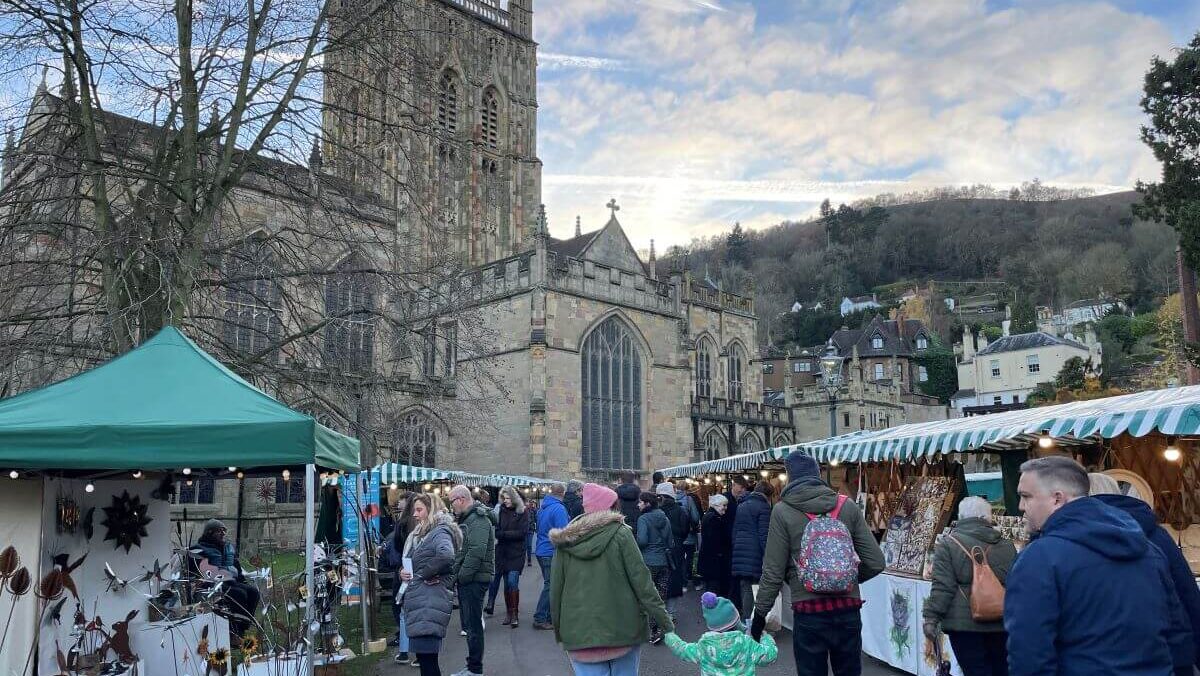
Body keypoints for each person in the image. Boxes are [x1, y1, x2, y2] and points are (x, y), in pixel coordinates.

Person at [1005, 456, 1190, 675]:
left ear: (1057, 499)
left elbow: (1029, 652)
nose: (1021, 506)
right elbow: (1178, 636)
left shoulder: (1039, 558)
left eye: (1026, 496)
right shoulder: (1149, 550)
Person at [752, 451, 885, 676]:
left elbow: (772, 572)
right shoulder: (847, 506)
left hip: (809, 610)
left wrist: (759, 615)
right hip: (847, 608)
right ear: (818, 475)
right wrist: (846, 578)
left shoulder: (782, 511)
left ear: (790, 477)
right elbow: (876, 561)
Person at [550, 483, 675, 675]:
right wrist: (665, 622)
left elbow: (556, 589)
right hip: (622, 629)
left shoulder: (565, 541)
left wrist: (561, 630)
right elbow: (642, 583)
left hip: (579, 632)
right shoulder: (621, 533)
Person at [1090, 472, 1200, 675]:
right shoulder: (1157, 535)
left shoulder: (1073, 543)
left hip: (1104, 659)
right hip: (1168, 651)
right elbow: (1188, 592)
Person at [921, 496, 1016, 676]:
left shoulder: (949, 544)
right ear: (988, 517)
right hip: (1001, 621)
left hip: (965, 625)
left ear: (961, 517)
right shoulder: (1007, 545)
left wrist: (931, 618)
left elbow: (943, 587)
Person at [400, 493, 462, 676]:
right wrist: (403, 572)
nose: (415, 514)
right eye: (414, 510)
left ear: (431, 509)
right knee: (426, 661)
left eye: (419, 510)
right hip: (422, 602)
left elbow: (446, 555)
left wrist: (423, 574)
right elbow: (412, 561)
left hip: (429, 603)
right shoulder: (422, 533)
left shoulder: (439, 531)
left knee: (428, 662)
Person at [666, 592, 778, 675]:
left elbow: (682, 649)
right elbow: (769, 656)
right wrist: (766, 638)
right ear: (736, 621)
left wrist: (669, 634)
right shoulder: (747, 643)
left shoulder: (704, 646)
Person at [449, 484, 496, 676]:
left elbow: (476, 553)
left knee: (473, 626)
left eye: (451, 501)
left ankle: (475, 669)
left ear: (460, 499)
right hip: (471, 578)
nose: (450, 506)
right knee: (471, 625)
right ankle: (472, 666)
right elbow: (465, 550)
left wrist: (461, 577)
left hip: (474, 579)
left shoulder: (478, 519)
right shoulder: (470, 518)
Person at [194, 519, 261, 639]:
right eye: (219, 531)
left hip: (231, 581)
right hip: (212, 584)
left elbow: (235, 564)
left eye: (224, 531)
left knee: (253, 592)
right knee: (239, 594)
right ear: (209, 533)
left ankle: (242, 627)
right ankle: (234, 631)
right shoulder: (199, 549)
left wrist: (241, 578)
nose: (223, 534)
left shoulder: (227, 547)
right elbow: (196, 570)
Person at [382, 493, 417, 665]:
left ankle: (407, 652)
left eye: (401, 505)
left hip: (404, 569)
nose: (399, 507)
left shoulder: (405, 523)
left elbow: (399, 547)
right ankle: (411, 652)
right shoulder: (413, 522)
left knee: (403, 610)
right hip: (409, 569)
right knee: (408, 611)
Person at [731, 481, 773, 618]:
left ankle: (746, 620)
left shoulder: (742, 505)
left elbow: (735, 531)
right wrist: (769, 556)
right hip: (755, 554)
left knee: (745, 587)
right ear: (768, 495)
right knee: (756, 589)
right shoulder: (764, 507)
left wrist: (736, 549)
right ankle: (754, 622)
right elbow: (764, 535)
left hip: (740, 551)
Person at [636, 491, 673, 644]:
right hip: (664, 561)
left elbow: (643, 541)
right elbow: (670, 541)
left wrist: (635, 539)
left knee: (647, 595)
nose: (638, 504)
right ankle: (662, 628)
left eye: (640, 502)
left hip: (648, 562)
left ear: (647, 504)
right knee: (660, 597)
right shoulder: (664, 517)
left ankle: (651, 630)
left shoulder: (643, 519)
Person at [491, 486, 530, 628]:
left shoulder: (522, 511)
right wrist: (502, 534)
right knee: (507, 584)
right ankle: (508, 612)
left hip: (516, 553)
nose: (505, 501)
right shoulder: (500, 510)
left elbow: (522, 533)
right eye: (504, 498)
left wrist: (504, 534)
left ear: (513, 498)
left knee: (513, 582)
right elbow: (496, 530)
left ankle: (514, 614)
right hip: (502, 553)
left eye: (508, 498)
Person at [533, 483, 570, 630]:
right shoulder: (559, 508)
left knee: (550, 585)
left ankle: (547, 617)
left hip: (542, 550)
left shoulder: (543, 508)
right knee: (551, 586)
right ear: (563, 494)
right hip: (551, 551)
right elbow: (563, 533)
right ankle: (540, 617)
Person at [659, 481, 691, 615]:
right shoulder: (680, 510)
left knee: (661, 579)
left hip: (662, 549)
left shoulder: (658, 511)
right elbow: (685, 530)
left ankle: (661, 613)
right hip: (677, 548)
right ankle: (671, 612)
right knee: (674, 578)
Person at [698, 494, 733, 600]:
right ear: (717, 505)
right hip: (715, 561)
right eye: (724, 505)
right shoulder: (714, 519)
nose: (726, 508)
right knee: (714, 589)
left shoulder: (709, 516)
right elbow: (716, 540)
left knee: (711, 588)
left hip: (710, 560)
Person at [676, 480, 703, 591]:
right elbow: (696, 517)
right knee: (692, 559)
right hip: (689, 535)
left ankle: (683, 584)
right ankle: (696, 583)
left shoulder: (672, 499)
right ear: (687, 489)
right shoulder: (689, 499)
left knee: (681, 559)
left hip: (677, 535)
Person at [526, 498, 539, 567]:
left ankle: (529, 560)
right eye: (526, 502)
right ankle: (523, 559)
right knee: (524, 546)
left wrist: (537, 528)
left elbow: (536, 519)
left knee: (529, 545)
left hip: (530, 530)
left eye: (529, 502)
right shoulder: (522, 510)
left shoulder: (533, 510)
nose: (527, 504)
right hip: (523, 531)